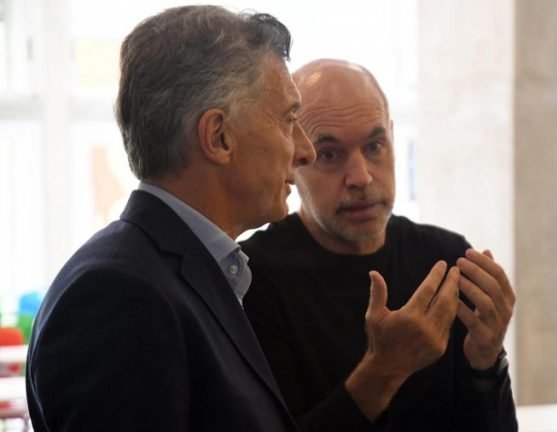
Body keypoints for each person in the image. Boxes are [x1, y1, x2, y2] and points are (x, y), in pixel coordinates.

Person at [25, 6, 315, 432]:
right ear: (218, 136)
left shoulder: (171, 275)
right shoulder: (120, 296)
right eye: (288, 120)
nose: (305, 150)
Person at [240, 59, 518, 432]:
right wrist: (384, 370)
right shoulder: (251, 279)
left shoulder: (446, 259)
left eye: (374, 146)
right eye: (330, 154)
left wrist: (487, 361)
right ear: (295, 156)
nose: (361, 177)